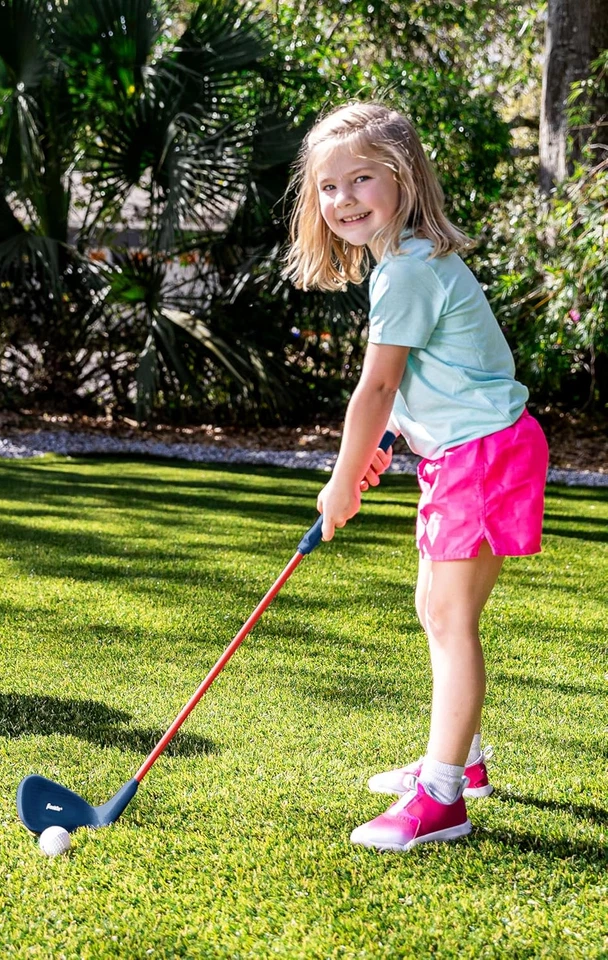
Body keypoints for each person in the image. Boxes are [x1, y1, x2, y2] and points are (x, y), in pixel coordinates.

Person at [285, 103, 548, 851]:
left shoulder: (407, 270)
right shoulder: (408, 263)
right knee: (433, 605)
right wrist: (387, 443)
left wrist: (341, 480)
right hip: (466, 452)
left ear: (401, 180)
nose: (342, 200)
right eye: (328, 187)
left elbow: (374, 388)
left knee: (450, 617)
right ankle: (460, 762)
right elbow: (431, 378)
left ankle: (441, 800)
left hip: (484, 454)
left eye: (360, 179)